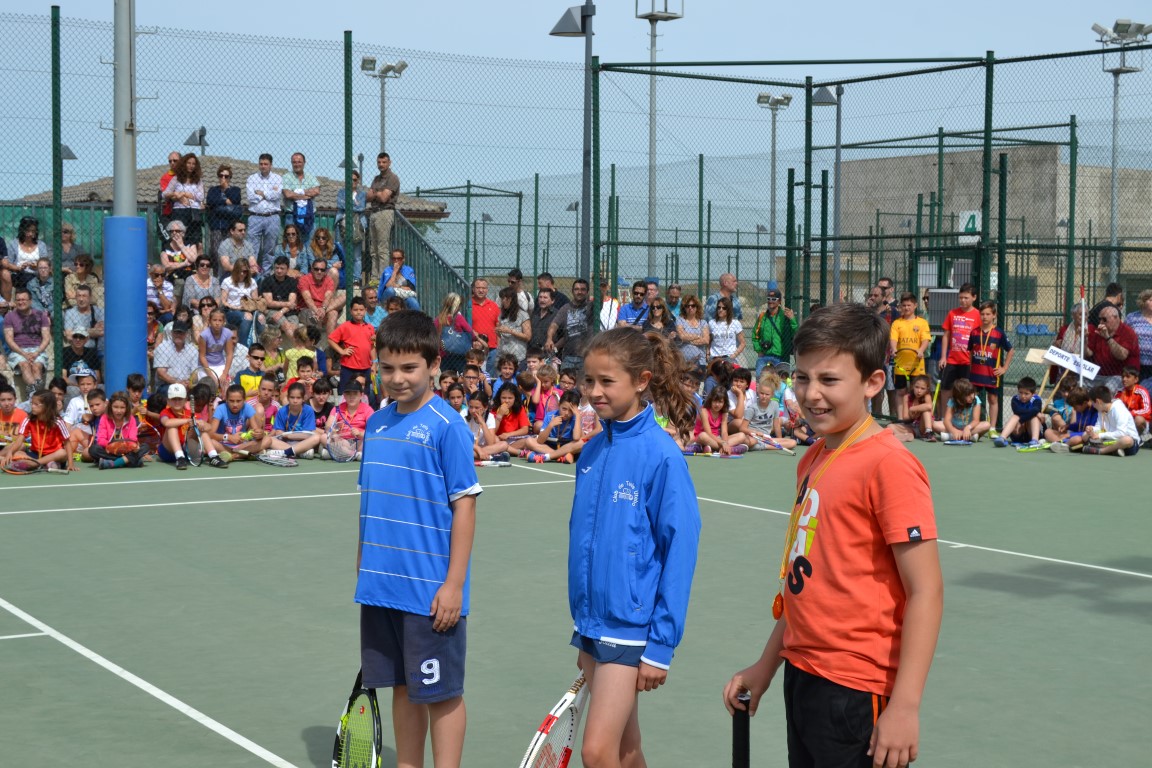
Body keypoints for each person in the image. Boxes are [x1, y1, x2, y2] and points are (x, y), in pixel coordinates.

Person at [722, 302, 942, 768]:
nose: (812, 393)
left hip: (857, 690)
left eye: (829, 380)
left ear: (873, 383)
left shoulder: (890, 465)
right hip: (804, 675)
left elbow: (926, 591)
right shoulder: (814, 457)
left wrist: (905, 705)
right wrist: (767, 665)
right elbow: (805, 581)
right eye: (802, 378)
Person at [570, 326, 700, 768]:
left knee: (597, 752)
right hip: (593, 624)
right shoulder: (591, 452)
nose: (595, 392)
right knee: (626, 751)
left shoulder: (662, 456)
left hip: (629, 630)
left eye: (607, 381)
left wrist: (660, 645)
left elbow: (680, 551)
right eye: (589, 380)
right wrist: (584, 621)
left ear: (642, 381)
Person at [356, 310, 481, 768]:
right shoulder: (375, 424)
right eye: (387, 367)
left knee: (441, 694)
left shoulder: (447, 426)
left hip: (430, 594)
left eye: (409, 367)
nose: (397, 378)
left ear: (434, 366)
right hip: (380, 588)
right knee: (403, 687)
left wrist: (453, 586)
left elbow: (465, 506)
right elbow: (370, 504)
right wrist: (363, 568)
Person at [967, 301, 1014, 429]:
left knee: (992, 399)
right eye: (982, 314)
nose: (985, 317)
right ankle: (972, 425)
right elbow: (970, 351)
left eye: (988, 314)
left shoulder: (999, 333)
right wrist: (971, 368)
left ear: (994, 315)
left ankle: (992, 428)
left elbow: (1011, 350)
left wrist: (1004, 368)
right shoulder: (974, 332)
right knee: (971, 398)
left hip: (991, 374)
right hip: (976, 373)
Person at [0, 389, 72, 471]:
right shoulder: (28, 419)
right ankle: (46, 465)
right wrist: (10, 452)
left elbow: (67, 442)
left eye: (36, 404)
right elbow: (19, 440)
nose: (32, 406)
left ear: (47, 406)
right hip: (36, 454)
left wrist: (70, 464)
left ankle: (35, 464)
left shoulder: (58, 421)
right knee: (17, 453)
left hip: (53, 454)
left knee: (62, 453)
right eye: (32, 403)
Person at [937, 283, 980, 418]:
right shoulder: (952, 313)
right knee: (946, 389)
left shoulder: (978, 315)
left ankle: (966, 418)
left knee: (967, 391)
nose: (963, 300)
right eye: (960, 297)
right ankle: (944, 418)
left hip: (968, 361)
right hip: (952, 360)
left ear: (974, 297)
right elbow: (946, 335)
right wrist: (943, 357)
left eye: (966, 298)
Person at [1087, 304, 1141, 393]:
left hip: (1120, 376)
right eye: (1099, 319)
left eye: (1104, 319)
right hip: (1099, 375)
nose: (1101, 322)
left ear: (1116, 318)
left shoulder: (1127, 332)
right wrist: (1083, 340)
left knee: (1108, 389)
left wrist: (1107, 337)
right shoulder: (1098, 331)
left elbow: (1122, 356)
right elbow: (1089, 353)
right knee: (1079, 382)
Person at [329, 297, 378, 393]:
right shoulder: (345, 326)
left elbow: (372, 347)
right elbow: (331, 339)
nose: (358, 312)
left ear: (365, 310)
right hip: (348, 368)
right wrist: (342, 351)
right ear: (351, 311)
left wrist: (374, 363)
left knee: (364, 394)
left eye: (361, 310)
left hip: (366, 368)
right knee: (345, 393)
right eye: (355, 310)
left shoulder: (370, 328)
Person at [365, 152, 400, 281]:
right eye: (379, 162)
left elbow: (384, 198)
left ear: (389, 163)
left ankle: (383, 278)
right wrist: (377, 193)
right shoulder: (376, 179)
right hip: (374, 212)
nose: (381, 164)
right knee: (373, 249)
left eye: (384, 162)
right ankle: (375, 278)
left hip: (385, 212)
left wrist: (375, 193)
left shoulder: (393, 178)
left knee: (382, 249)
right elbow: (367, 197)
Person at [245, 153, 283, 272]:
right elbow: (251, 197)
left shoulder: (278, 178)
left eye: (266, 164)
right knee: (252, 248)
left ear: (271, 165)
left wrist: (261, 193)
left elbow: (277, 195)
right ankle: (253, 274)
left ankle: (266, 274)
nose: (263, 166)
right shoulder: (252, 178)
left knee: (270, 249)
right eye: (261, 164)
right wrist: (268, 194)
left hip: (272, 217)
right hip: (255, 217)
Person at [4, 288, 50, 388]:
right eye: (18, 300)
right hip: (18, 350)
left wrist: (36, 352)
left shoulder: (41, 315)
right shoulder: (9, 316)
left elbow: (46, 338)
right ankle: (36, 393)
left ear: (30, 301)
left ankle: (33, 393)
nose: (21, 302)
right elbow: (9, 340)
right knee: (25, 365)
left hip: (37, 349)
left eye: (23, 299)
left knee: (36, 367)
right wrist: (23, 353)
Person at [750, 288, 797, 379]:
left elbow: (795, 332)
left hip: (781, 356)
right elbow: (755, 335)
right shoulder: (762, 316)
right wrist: (759, 349)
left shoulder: (784, 316)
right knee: (760, 378)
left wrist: (792, 319)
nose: (770, 301)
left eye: (774, 299)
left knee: (781, 382)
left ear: (779, 301)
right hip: (765, 355)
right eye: (769, 299)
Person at [1083, 383, 1141, 456]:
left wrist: (1100, 435)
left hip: (1130, 444)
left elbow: (1121, 433)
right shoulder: (1101, 410)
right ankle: (1114, 450)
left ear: (1098, 401)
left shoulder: (1119, 409)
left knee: (1127, 440)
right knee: (1085, 435)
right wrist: (1092, 429)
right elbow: (1099, 427)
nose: (1093, 406)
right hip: (1110, 440)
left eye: (1093, 403)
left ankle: (1102, 451)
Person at [1, 217, 50, 302]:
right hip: (18, 274)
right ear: (22, 230)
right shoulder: (14, 244)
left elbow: (45, 261)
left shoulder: (41, 245)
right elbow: (8, 263)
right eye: (27, 231)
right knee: (26, 278)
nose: (30, 234)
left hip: (37, 273)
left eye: (33, 231)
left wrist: (37, 266)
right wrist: (18, 268)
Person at [163, 153, 206, 246]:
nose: (191, 166)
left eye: (193, 164)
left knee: (197, 242)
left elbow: (201, 197)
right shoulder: (176, 179)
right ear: (184, 164)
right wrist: (176, 194)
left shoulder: (198, 180)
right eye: (188, 163)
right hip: (179, 211)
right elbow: (165, 194)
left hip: (194, 212)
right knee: (180, 239)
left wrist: (184, 193)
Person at [933, 377, 991, 443]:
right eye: (968, 395)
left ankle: (951, 436)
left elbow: (976, 420)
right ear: (960, 396)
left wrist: (968, 428)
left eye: (972, 393)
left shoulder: (976, 400)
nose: (972, 396)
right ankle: (969, 437)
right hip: (954, 426)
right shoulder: (952, 401)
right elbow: (947, 420)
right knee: (934, 424)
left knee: (987, 425)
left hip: (970, 428)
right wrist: (953, 430)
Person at [205, 164, 242, 265]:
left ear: (230, 178)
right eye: (221, 176)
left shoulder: (235, 190)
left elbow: (235, 199)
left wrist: (226, 188)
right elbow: (210, 200)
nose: (223, 178)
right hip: (216, 225)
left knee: (229, 251)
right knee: (215, 251)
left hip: (230, 226)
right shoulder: (213, 190)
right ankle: (217, 272)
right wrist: (226, 201)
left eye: (226, 176)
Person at [282, 151, 320, 248]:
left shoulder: (311, 177)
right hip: (291, 216)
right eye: (294, 162)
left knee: (309, 246)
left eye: (299, 162)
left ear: (304, 163)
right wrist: (306, 194)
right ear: (291, 163)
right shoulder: (286, 177)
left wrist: (296, 193)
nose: (297, 164)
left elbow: (316, 191)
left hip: (309, 217)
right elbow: (287, 194)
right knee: (291, 246)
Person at [992, 376, 1042, 447]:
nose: (1023, 396)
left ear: (1033, 393)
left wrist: (1022, 419)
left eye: (1026, 394)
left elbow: (1036, 410)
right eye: (1020, 392)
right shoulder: (1015, 399)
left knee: (1034, 418)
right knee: (1015, 416)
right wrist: (1034, 413)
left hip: (1030, 433)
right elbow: (1018, 411)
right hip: (1018, 434)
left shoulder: (1037, 400)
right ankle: (1002, 438)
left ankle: (1035, 440)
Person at [434, 293, 476, 376]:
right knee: (463, 375)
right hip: (459, 354)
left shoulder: (439, 319)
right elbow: (470, 333)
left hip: (444, 354)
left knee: (447, 376)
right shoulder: (458, 318)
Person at [220, 260, 260, 346]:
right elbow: (223, 301)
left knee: (261, 318)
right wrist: (236, 307)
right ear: (235, 270)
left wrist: (250, 306)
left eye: (245, 271)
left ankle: (261, 344)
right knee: (247, 317)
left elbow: (255, 300)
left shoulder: (252, 281)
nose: (242, 274)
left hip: (248, 309)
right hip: (231, 310)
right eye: (239, 271)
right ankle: (242, 346)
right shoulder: (227, 281)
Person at [153, 321, 200, 393]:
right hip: (167, 385)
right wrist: (178, 383)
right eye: (176, 332)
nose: (178, 335)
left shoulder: (193, 350)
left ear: (186, 334)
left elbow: (194, 374)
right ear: (171, 333)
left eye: (181, 333)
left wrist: (189, 383)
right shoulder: (162, 347)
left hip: (187, 385)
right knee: (177, 392)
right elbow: (161, 374)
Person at [297, 258, 341, 333]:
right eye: (316, 269)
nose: (319, 272)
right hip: (307, 309)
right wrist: (316, 311)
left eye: (322, 270)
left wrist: (323, 309)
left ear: (326, 271)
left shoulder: (328, 280)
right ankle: (318, 330)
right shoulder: (304, 279)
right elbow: (308, 300)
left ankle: (330, 340)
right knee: (313, 316)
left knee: (335, 310)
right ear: (312, 269)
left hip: (323, 309)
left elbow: (327, 298)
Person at [260, 255, 300, 336]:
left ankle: (296, 345)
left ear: (287, 269)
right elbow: (269, 303)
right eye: (277, 268)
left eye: (282, 268)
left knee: (294, 328)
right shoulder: (267, 281)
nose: (279, 271)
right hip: (271, 311)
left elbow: (292, 303)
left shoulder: (292, 282)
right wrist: (288, 304)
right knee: (287, 326)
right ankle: (299, 345)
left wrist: (282, 311)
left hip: (288, 312)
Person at [469, 278, 500, 375]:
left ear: (487, 290)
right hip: (474, 348)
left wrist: (498, 347)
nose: (481, 290)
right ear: (473, 289)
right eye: (478, 287)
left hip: (492, 348)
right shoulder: (468, 305)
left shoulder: (494, 306)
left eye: (484, 288)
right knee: (474, 374)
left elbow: (498, 327)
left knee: (490, 376)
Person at [1124, 289, 1152, 389]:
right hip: (1137, 363)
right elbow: (1125, 335)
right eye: (1151, 300)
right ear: (1143, 302)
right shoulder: (1132, 318)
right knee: (1137, 389)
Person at [674, 294, 710, 373]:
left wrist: (688, 340)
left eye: (693, 306)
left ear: (697, 307)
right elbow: (682, 336)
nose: (690, 308)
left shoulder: (703, 322)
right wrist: (698, 336)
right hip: (683, 361)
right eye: (687, 306)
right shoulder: (680, 320)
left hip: (700, 361)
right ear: (684, 308)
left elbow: (706, 340)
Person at [495, 287, 530, 364]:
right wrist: (498, 331)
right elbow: (500, 336)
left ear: (512, 299)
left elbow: (528, 337)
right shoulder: (502, 315)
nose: (503, 301)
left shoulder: (523, 314)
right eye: (502, 298)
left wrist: (510, 331)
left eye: (505, 298)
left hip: (517, 355)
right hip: (503, 354)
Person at [707, 296, 745, 363]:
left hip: (729, 358)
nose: (720, 310)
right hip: (715, 358)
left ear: (728, 310)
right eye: (719, 307)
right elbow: (708, 341)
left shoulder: (735, 323)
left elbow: (743, 343)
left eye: (724, 308)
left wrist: (734, 355)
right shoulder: (711, 323)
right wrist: (707, 354)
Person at [1116, 366, 1151, 438]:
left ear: (1136, 379)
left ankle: (1142, 436)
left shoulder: (1141, 391)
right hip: (1125, 421)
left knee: (1139, 419)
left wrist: (1130, 413)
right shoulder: (1121, 392)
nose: (1124, 379)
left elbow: (1147, 410)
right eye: (1123, 377)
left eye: (1128, 377)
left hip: (1137, 420)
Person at [528, 287, 559, 353]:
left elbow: (564, 336)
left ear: (552, 301)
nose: (542, 300)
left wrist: (554, 348)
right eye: (540, 297)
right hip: (533, 352)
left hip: (549, 353)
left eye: (545, 298)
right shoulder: (533, 314)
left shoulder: (557, 315)